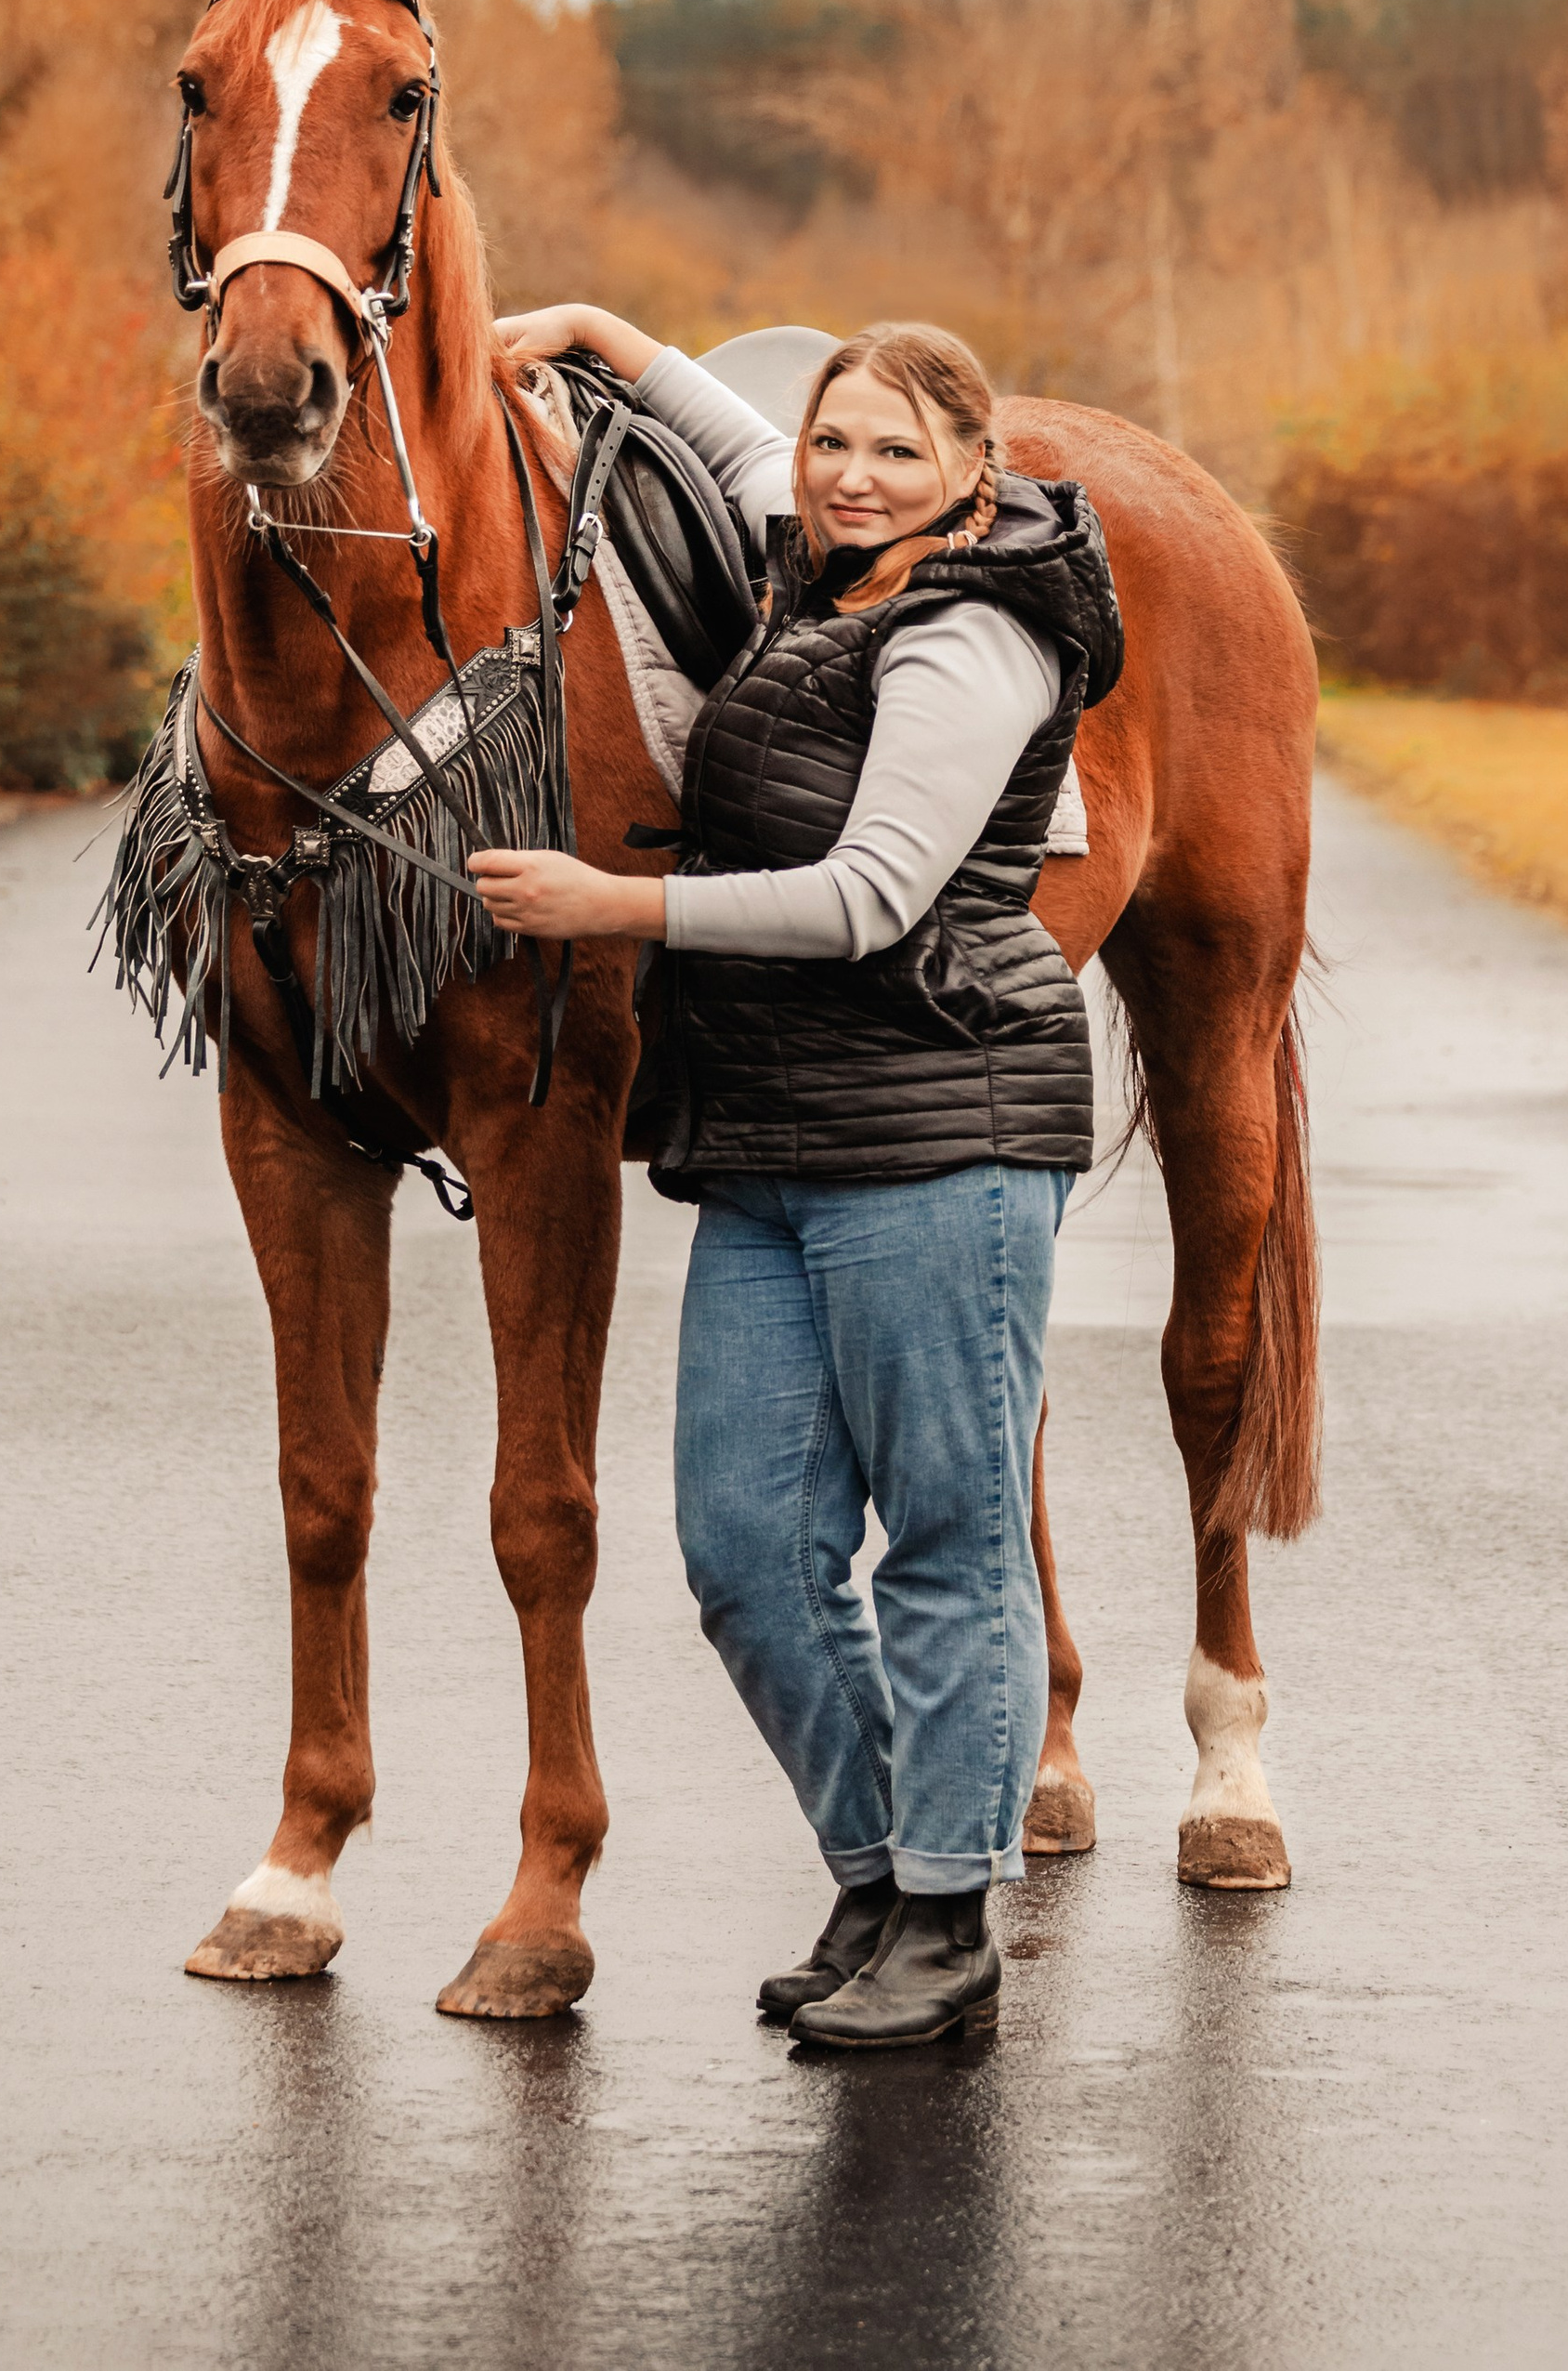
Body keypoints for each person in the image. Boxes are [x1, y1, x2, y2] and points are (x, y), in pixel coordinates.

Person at [470, 308, 1122, 2049]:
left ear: (976, 478)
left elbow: (868, 896)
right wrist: (604, 333)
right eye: (833, 439)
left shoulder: (971, 629)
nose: (848, 474)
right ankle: (878, 1868)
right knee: (748, 1547)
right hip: (765, 1140)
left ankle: (948, 1908)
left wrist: (614, 907)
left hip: (941, 1131)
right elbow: (735, 438)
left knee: (948, 1536)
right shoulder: (822, 560)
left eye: (897, 451)